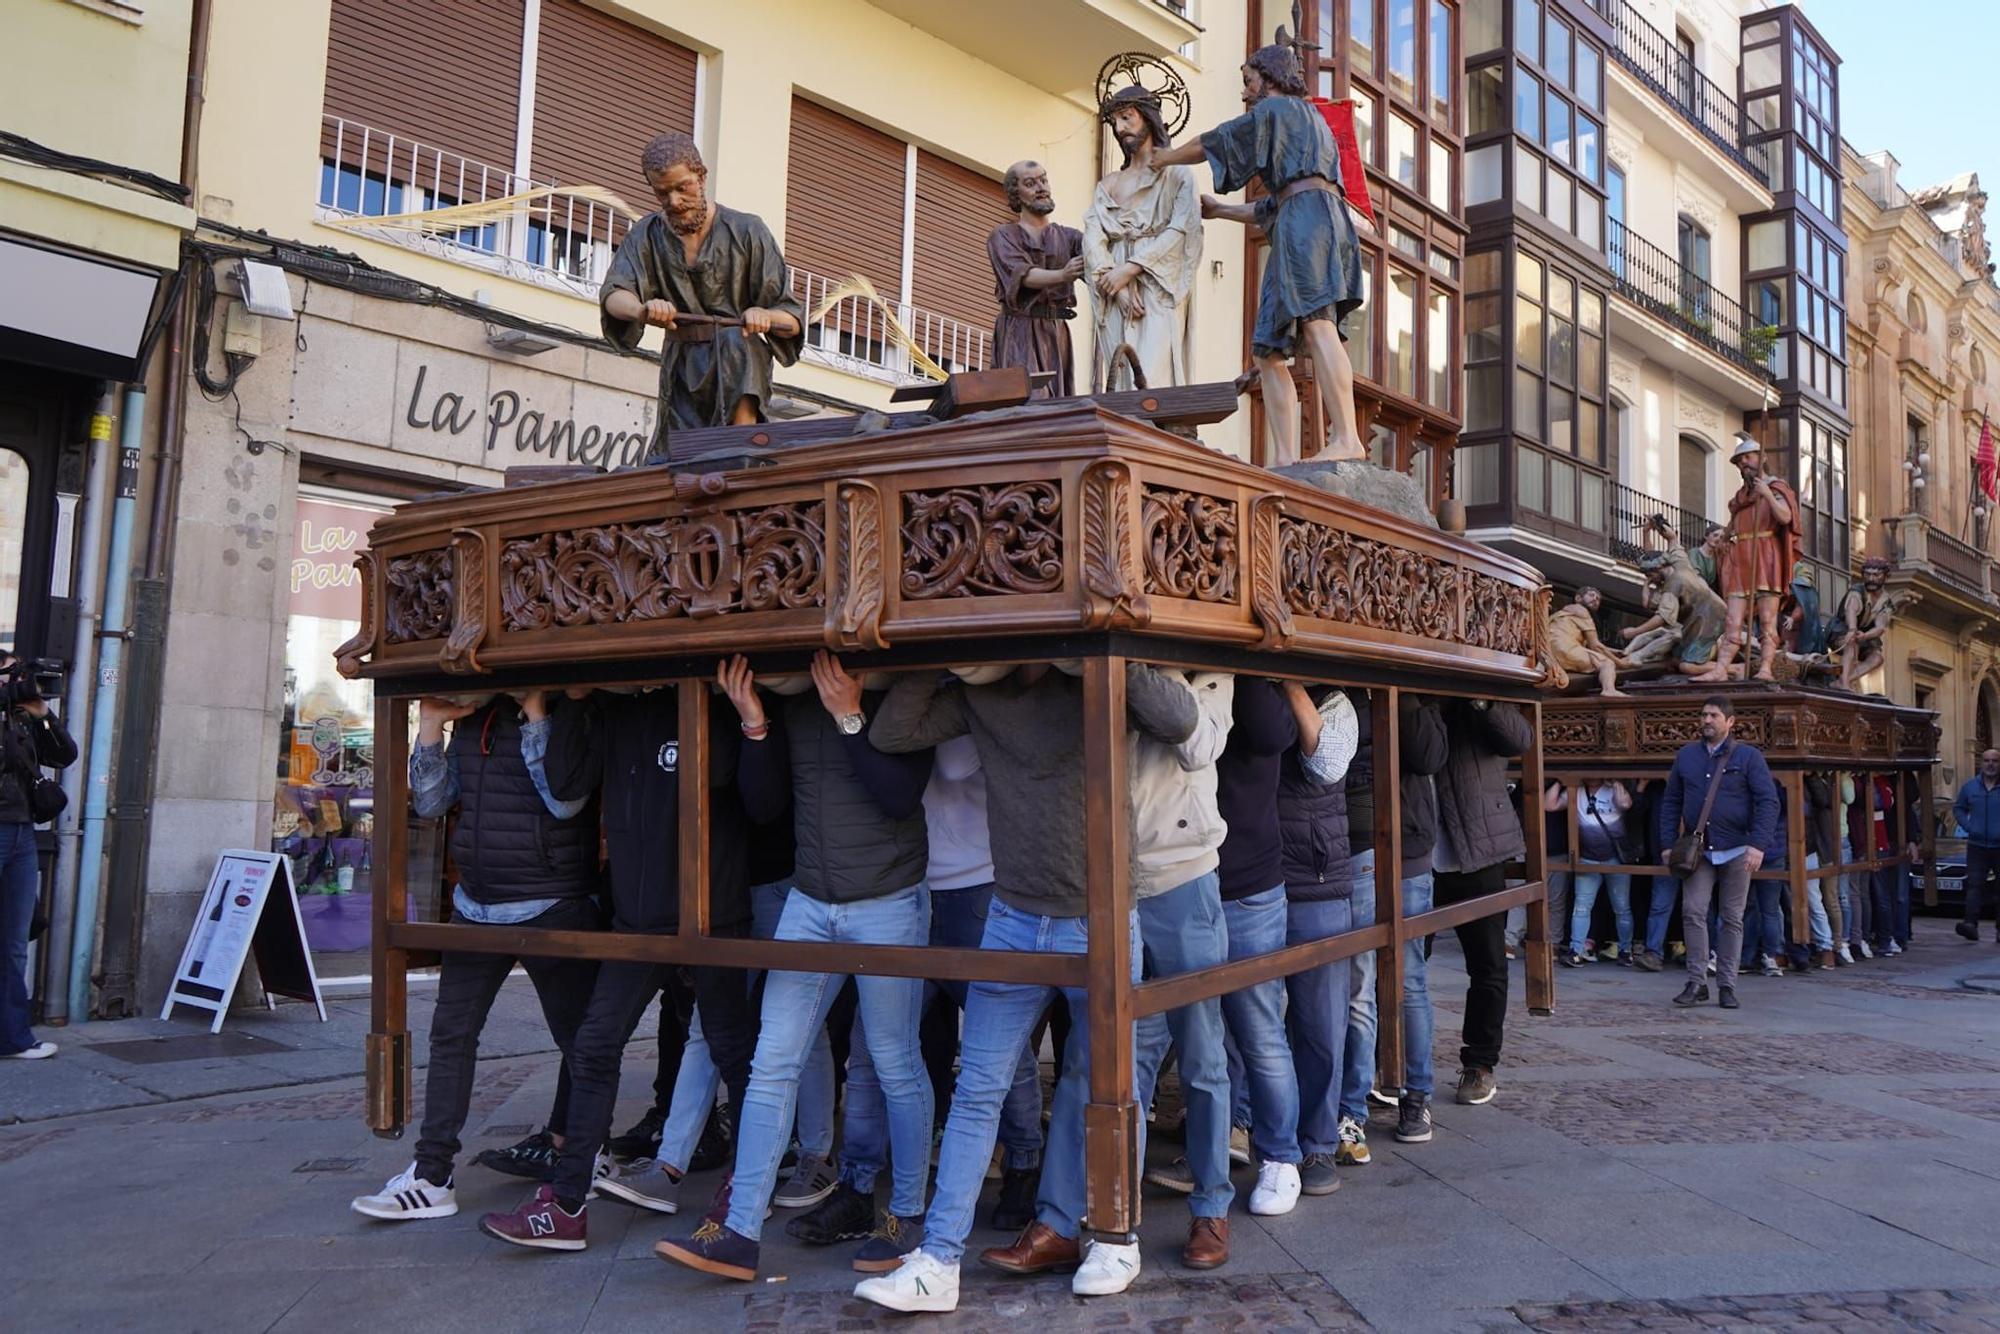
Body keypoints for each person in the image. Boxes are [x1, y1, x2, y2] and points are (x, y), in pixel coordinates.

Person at [853, 664, 1189, 1312]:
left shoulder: (1100, 675)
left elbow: (1180, 718)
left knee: (1113, 1083)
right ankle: (939, 1262)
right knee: (978, 1085)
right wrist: (944, 657)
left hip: (1100, 914)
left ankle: (1115, 1237)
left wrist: (1096, 652)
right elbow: (894, 731)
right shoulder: (983, 687)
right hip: (1011, 915)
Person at [656, 653, 934, 1281]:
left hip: (889, 899)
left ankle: (910, 1215)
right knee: (771, 1062)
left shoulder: (901, 689)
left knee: (893, 1060)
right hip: (810, 900)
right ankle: (739, 1232)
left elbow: (898, 798)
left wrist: (850, 717)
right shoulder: (794, 694)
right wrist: (754, 722)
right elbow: (765, 807)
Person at [477, 686, 762, 1249]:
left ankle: (748, 1188)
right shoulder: (610, 708)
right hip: (637, 919)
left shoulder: (704, 696)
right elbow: (566, 783)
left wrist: (738, 712)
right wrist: (576, 703)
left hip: (713, 913)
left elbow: (746, 790)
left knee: (735, 1052)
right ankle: (565, 1203)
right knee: (594, 1043)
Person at [351, 692, 602, 1223]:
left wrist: (536, 715)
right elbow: (432, 803)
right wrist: (431, 729)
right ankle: (431, 1173)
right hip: (477, 904)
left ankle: (586, 1159)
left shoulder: (570, 709)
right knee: (451, 1036)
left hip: (551, 900)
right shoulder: (472, 718)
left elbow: (565, 802)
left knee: (580, 1040)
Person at [835, 733, 1048, 1243]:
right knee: (869, 1048)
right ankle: (856, 1186)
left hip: (973, 886)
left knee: (1000, 1050)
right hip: (902, 888)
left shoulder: (966, 688)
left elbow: (952, 764)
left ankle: (1023, 1164)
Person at [1147, 31, 1371, 465]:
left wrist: (1164, 158)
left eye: (1248, 79)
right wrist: (1220, 211)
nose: (1244, 90)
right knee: (1267, 349)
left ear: (1269, 79)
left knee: (1318, 322)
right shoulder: (1306, 125)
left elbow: (1219, 139)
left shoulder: (1278, 109)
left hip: (1307, 224)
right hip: (1299, 220)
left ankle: (1347, 437)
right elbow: (1272, 205)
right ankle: (1285, 460)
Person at [1122, 671, 1241, 1268]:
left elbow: (1195, 743)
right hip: (1111, 881)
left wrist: (1150, 662)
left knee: (1202, 1058)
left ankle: (1212, 1207)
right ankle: (1115, 1217)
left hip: (1183, 880)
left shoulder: (1209, 670)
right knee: (1116, 1062)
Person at [600, 132, 805, 452]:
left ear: (702, 176)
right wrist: (642, 310)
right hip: (681, 365)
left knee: (737, 344)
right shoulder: (646, 234)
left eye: (683, 188)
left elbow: (791, 318)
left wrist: (765, 315)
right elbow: (615, 294)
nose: (674, 202)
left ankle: (742, 446)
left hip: (738, 358)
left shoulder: (748, 230)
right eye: (662, 192)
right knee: (677, 458)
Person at [1333, 690, 1447, 1164]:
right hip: (1359, 842)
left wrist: (1407, 694)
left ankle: (1413, 1095)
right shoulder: (1342, 694)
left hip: (1406, 847)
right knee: (1365, 984)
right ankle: (1354, 1108)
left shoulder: (1413, 698)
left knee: (1404, 980)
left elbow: (1428, 755)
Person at [1213, 679, 1307, 1220]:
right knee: (1190, 1038)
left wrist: (1237, 660)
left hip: (1249, 882)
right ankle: (1214, 1147)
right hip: (1182, 881)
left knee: (1259, 1031)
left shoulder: (1257, 687)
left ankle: (1280, 1157)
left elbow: (1275, 734)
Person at [1275, 685, 1360, 1190]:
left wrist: (1288, 681)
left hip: (1316, 880)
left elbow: (1326, 763)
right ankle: (1245, 1130)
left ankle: (1318, 1143)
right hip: (1253, 877)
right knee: (1245, 1026)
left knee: (1320, 1027)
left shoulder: (1335, 702)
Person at [1431, 697, 1534, 1106]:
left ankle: (1480, 1063)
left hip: (1481, 850)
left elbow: (1519, 738)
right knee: (1402, 967)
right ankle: (1394, 1060)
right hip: (1419, 855)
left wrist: (1482, 700)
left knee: (1489, 965)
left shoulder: (1481, 702)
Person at [1657, 696, 1778, 1009]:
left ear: (1730, 722)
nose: (1707, 720)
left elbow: (1768, 801)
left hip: (1738, 848)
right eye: (1704, 715)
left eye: (1713, 715)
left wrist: (1758, 845)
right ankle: (1696, 981)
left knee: (1732, 918)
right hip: (1699, 851)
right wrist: (1669, 843)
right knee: (1693, 911)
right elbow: (1671, 802)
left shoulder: (1749, 757)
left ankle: (1727, 984)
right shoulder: (1686, 756)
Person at [1083, 84, 1202, 392]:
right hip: (1116, 295)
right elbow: (1093, 240)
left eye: (1127, 118)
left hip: (1157, 284)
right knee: (1120, 377)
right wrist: (1113, 284)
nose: (1121, 129)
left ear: (1148, 118)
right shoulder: (1108, 184)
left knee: (1151, 374)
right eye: (1115, 123)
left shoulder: (1177, 176)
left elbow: (1181, 231)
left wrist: (1131, 268)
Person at [0, 653, 76, 1061]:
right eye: (10, 674)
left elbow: (64, 755)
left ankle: (13, 1037)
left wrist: (43, 714)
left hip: (22, 832)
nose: (19, 681)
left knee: (13, 941)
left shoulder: (22, 718)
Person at [1698, 436, 1799, 683]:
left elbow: (1785, 518)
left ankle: (1765, 667)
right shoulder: (1741, 497)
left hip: (1766, 557)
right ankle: (1721, 669)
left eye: (1748, 457)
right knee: (1732, 619)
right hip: (1741, 559)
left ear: (1761, 458)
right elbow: (1732, 526)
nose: (1744, 463)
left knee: (1767, 620)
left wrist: (1765, 493)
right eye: (1740, 460)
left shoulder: (1776, 488)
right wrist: (1724, 540)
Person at [989, 161, 1085, 398]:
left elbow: (1103, 264)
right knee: (1028, 400)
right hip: (1021, 331)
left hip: (1057, 332)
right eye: (1030, 183)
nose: (1040, 187)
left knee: (1058, 408)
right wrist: (1063, 275)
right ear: (1016, 194)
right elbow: (1023, 275)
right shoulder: (1003, 236)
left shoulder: (1069, 237)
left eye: (1043, 180)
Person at [1567, 781, 1635, 966]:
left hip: (1615, 858)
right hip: (1588, 858)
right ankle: (1576, 950)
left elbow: (1625, 804)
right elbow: (1549, 804)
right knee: (1581, 907)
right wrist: (1562, 779)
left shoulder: (1612, 790)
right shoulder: (1576, 790)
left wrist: (1614, 781)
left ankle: (1625, 950)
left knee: (1621, 907)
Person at [1955, 750, 2000, 942]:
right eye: (1987, 761)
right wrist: (1968, 826)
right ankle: (1970, 924)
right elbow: (1958, 808)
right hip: (1977, 845)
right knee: (1974, 886)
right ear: (1981, 763)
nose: (1990, 764)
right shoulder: (1970, 787)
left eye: (1995, 761)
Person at [1549, 588, 1628, 697]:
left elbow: (1590, 646)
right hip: (1565, 648)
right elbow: (1595, 646)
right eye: (1591, 595)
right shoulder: (1581, 610)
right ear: (1578, 598)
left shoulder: (1563, 613)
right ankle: (1609, 690)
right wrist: (1619, 662)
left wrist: (1618, 652)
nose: (1595, 600)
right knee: (1607, 664)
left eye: (1598, 599)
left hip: (1550, 652)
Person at [1836, 558, 1897, 692]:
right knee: (1852, 644)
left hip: (1864, 633)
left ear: (1885, 577)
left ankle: (1844, 680)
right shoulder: (1857, 591)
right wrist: (1852, 630)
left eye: (1876, 575)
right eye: (1867, 574)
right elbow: (1851, 610)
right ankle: (1843, 681)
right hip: (1841, 628)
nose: (1871, 578)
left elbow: (1880, 627)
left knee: (1877, 658)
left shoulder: (1886, 602)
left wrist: (1864, 636)